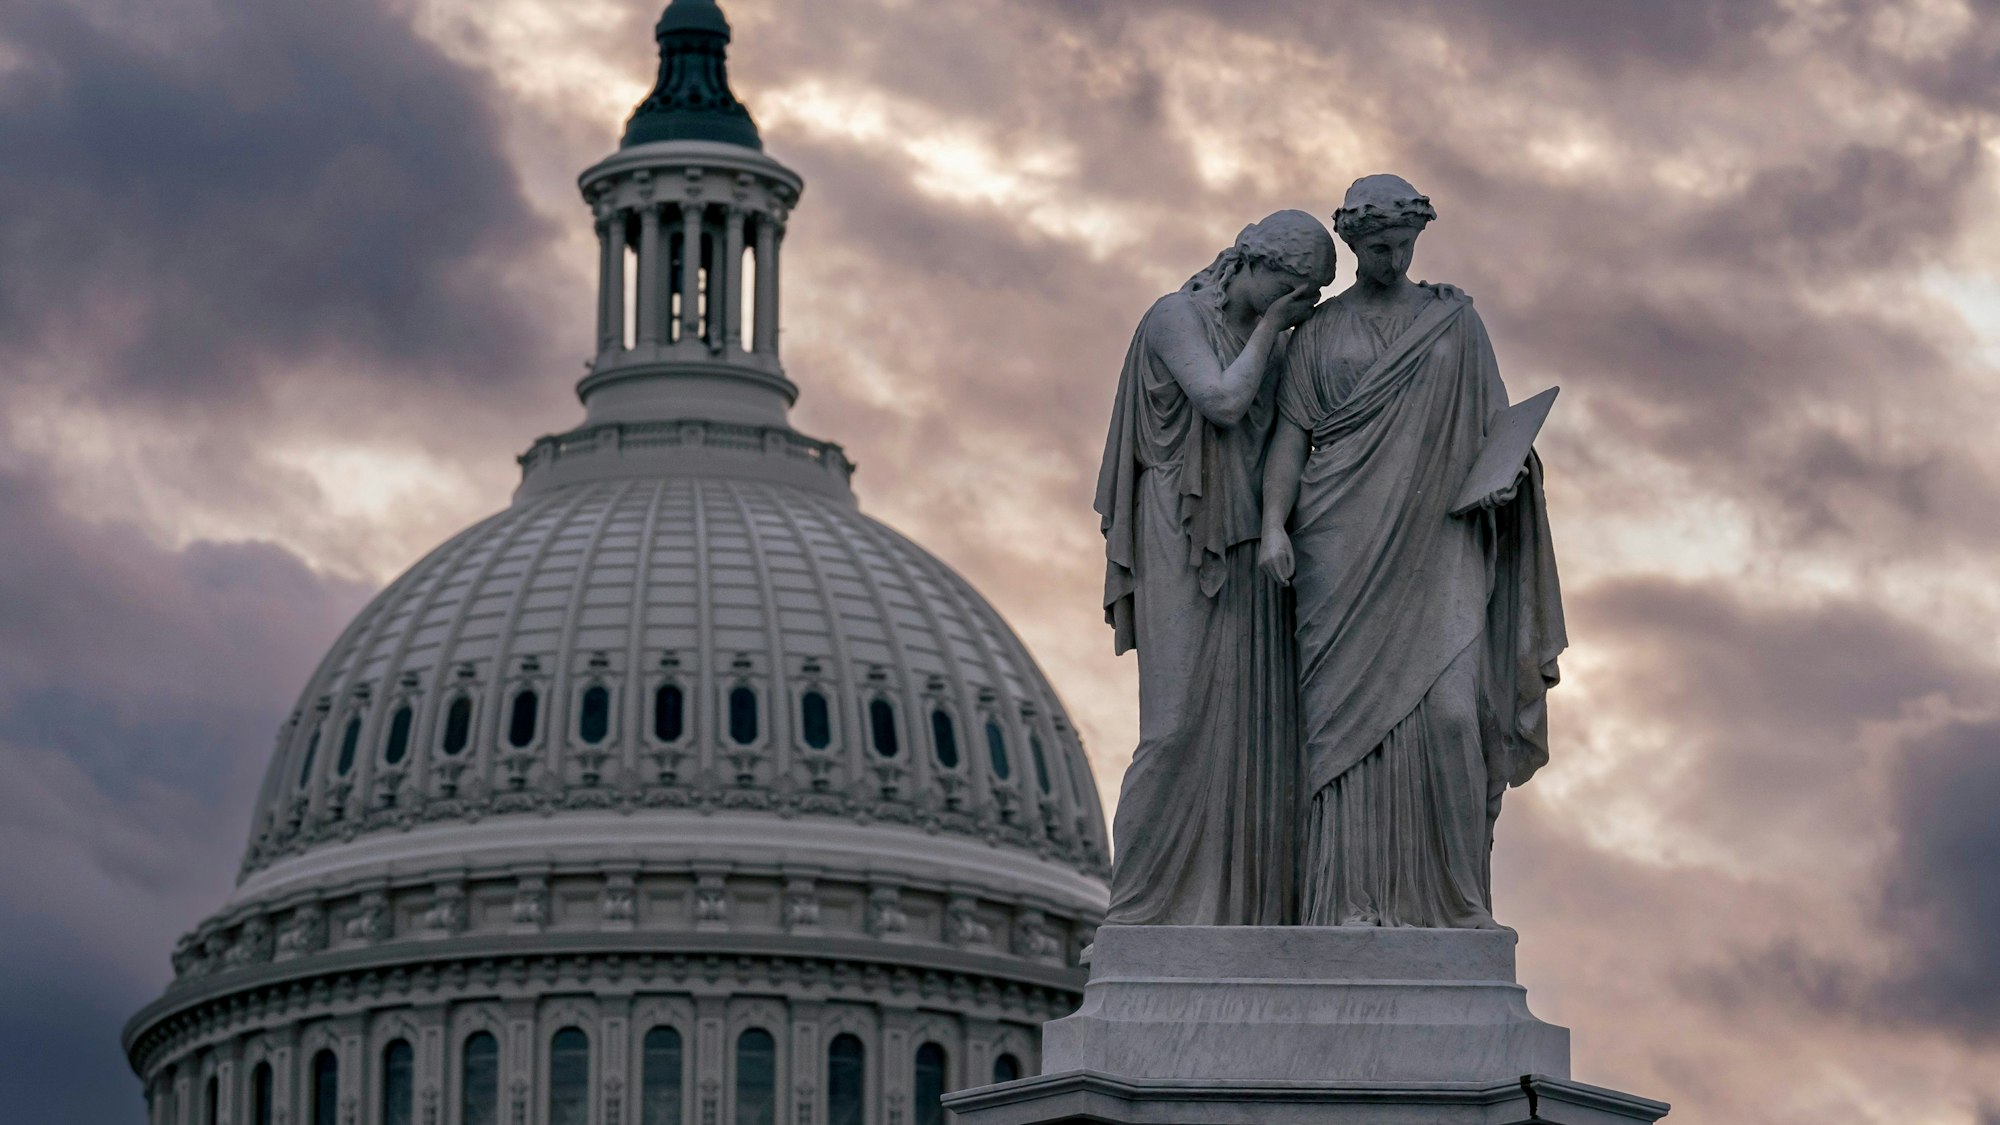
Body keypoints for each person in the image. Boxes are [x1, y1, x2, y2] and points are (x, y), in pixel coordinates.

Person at [1260, 175, 1566, 929]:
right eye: (1373, 247)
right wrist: (1272, 524)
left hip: (1440, 539)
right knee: (1341, 735)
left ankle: (1456, 903)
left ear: (1418, 238)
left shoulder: (1454, 324)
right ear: (1352, 245)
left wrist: (1509, 477)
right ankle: (1348, 903)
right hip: (1339, 543)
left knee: (1453, 718)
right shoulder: (1321, 334)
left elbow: (1498, 429)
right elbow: (1290, 439)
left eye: (1399, 244)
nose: (1389, 257)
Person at [1094, 210, 1336, 925]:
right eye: (1298, 291)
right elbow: (1223, 401)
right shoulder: (1176, 317)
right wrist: (1273, 329)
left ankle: (1235, 911)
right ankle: (1138, 911)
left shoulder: (1281, 349)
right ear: (1255, 267)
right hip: (1180, 523)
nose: (1305, 309)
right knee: (1172, 728)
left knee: (1247, 736)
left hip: (1250, 547)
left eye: (1315, 298)